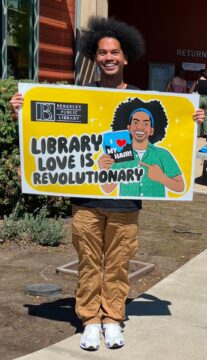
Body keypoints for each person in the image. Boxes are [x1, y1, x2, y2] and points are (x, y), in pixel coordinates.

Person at [10, 16, 204, 352]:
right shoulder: (77, 96)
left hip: (125, 205)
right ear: (94, 57)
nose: (109, 57)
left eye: (115, 52)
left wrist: (194, 118)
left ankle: (113, 319)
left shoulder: (142, 101)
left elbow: (175, 140)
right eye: (102, 52)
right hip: (85, 202)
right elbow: (47, 127)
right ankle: (89, 320)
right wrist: (22, 112)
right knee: (88, 263)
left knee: (117, 265)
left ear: (126, 57)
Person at [98, 98, 185, 198]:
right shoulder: (119, 152)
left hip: (155, 209)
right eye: (135, 122)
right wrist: (103, 170)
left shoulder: (163, 154)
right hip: (128, 207)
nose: (140, 127)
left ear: (151, 130)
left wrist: (161, 177)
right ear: (128, 128)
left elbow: (180, 186)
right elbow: (107, 189)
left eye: (145, 123)